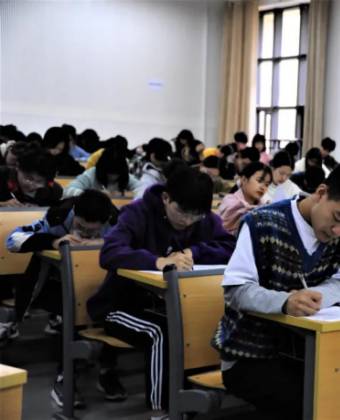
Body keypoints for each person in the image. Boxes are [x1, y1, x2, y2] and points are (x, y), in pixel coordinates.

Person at [212, 160, 340, 419]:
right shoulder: (260, 223)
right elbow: (236, 291)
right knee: (311, 399)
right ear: (321, 193)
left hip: (309, 350)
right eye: (337, 218)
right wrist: (284, 302)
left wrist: (315, 298)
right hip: (249, 353)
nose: (338, 231)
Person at [87, 168, 236, 419]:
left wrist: (193, 252)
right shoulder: (138, 213)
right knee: (160, 333)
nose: (188, 221)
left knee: (192, 325)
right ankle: (162, 411)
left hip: (166, 306)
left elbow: (231, 247)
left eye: (196, 215)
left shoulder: (202, 218)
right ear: (166, 198)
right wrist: (156, 261)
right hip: (119, 306)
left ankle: (185, 398)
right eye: (182, 212)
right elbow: (109, 252)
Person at [4, 190, 124, 406]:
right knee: (75, 308)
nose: (85, 234)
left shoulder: (116, 220)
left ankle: (107, 371)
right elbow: (13, 240)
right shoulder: (57, 215)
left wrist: (103, 241)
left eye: (92, 230)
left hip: (97, 286)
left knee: (113, 306)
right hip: (50, 285)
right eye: (81, 227)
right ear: (74, 212)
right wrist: (54, 241)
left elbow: (134, 244)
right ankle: (65, 379)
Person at [218, 162, 272, 235]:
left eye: (266, 185)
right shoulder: (229, 201)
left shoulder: (263, 208)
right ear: (244, 180)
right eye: (259, 181)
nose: (263, 187)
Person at [63, 148, 140, 198]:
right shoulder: (91, 174)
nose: (113, 177)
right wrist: (94, 194)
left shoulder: (125, 176)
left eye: (116, 174)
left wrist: (121, 194)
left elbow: (143, 190)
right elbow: (67, 191)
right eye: (109, 173)